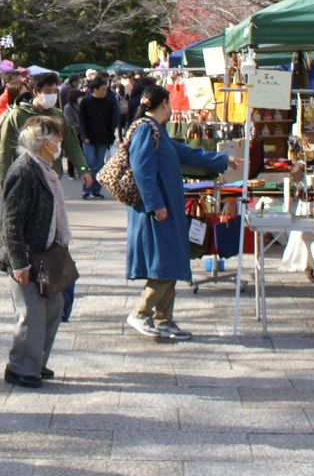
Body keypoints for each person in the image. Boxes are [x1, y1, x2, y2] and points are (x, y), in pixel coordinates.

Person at [124, 84, 234, 340]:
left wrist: (224, 160)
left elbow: (185, 153)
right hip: (155, 211)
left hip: (166, 208)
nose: (171, 108)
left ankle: (164, 319)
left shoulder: (157, 131)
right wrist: (155, 205)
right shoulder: (145, 130)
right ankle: (141, 312)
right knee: (164, 262)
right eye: (170, 102)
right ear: (163, 103)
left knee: (171, 261)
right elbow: (142, 171)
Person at [0, 115, 73, 388]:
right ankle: (19, 367)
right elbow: (11, 222)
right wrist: (19, 264)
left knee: (53, 308)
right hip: (26, 256)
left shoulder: (47, 170)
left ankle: (36, 363)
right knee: (32, 313)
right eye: (55, 138)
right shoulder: (23, 171)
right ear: (42, 143)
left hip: (47, 253)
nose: (59, 143)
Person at [0, 73, 90, 197]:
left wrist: (83, 169)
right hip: (24, 178)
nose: (52, 95)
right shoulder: (16, 116)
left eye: (54, 91)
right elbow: (5, 152)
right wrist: (5, 184)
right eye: (48, 91)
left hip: (51, 176)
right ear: (35, 92)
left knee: (53, 213)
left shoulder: (58, 115)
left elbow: (72, 144)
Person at [77, 77, 116, 200]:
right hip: (89, 138)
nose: (105, 92)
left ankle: (96, 190)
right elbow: (82, 121)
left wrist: (111, 136)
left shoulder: (108, 102)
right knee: (89, 163)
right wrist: (84, 136)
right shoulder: (85, 102)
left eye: (106, 89)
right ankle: (86, 189)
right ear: (95, 89)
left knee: (99, 165)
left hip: (103, 138)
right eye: (103, 89)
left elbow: (111, 121)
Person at [62, 88, 83, 179]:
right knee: (72, 154)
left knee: (81, 154)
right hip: (73, 133)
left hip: (81, 133)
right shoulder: (68, 107)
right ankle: (71, 172)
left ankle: (81, 171)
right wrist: (79, 126)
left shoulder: (80, 105)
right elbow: (69, 121)